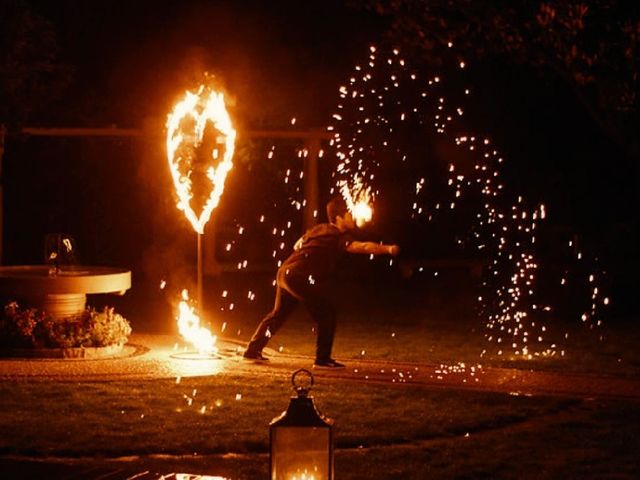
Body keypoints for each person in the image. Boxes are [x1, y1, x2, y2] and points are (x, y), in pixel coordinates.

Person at [243, 195, 400, 368]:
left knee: (278, 315)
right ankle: (322, 359)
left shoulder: (319, 229)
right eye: (349, 214)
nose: (352, 217)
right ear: (339, 218)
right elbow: (362, 247)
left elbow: (297, 245)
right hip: (296, 276)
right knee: (327, 314)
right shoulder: (338, 236)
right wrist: (388, 248)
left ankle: (252, 350)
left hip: (284, 272)